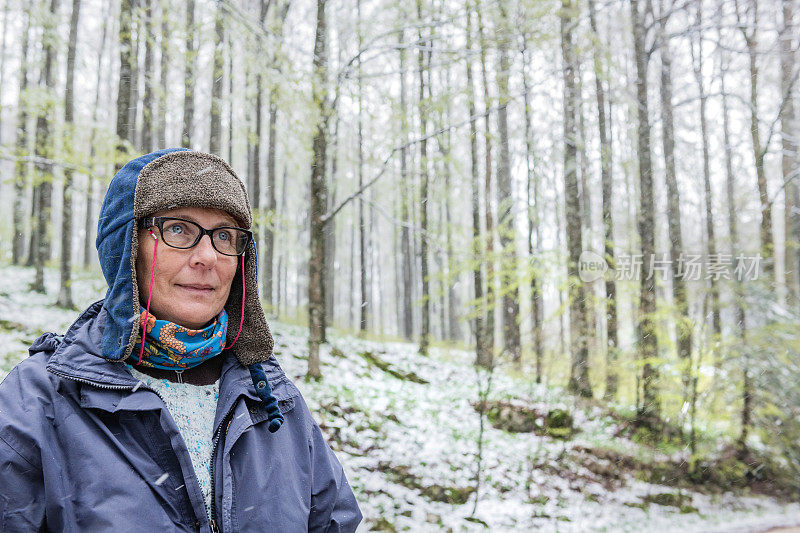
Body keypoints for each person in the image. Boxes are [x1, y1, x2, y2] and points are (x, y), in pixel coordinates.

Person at [0, 148, 362, 532]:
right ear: (126, 246)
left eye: (225, 235)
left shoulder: (274, 401)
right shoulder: (38, 401)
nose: (207, 255)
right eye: (178, 229)